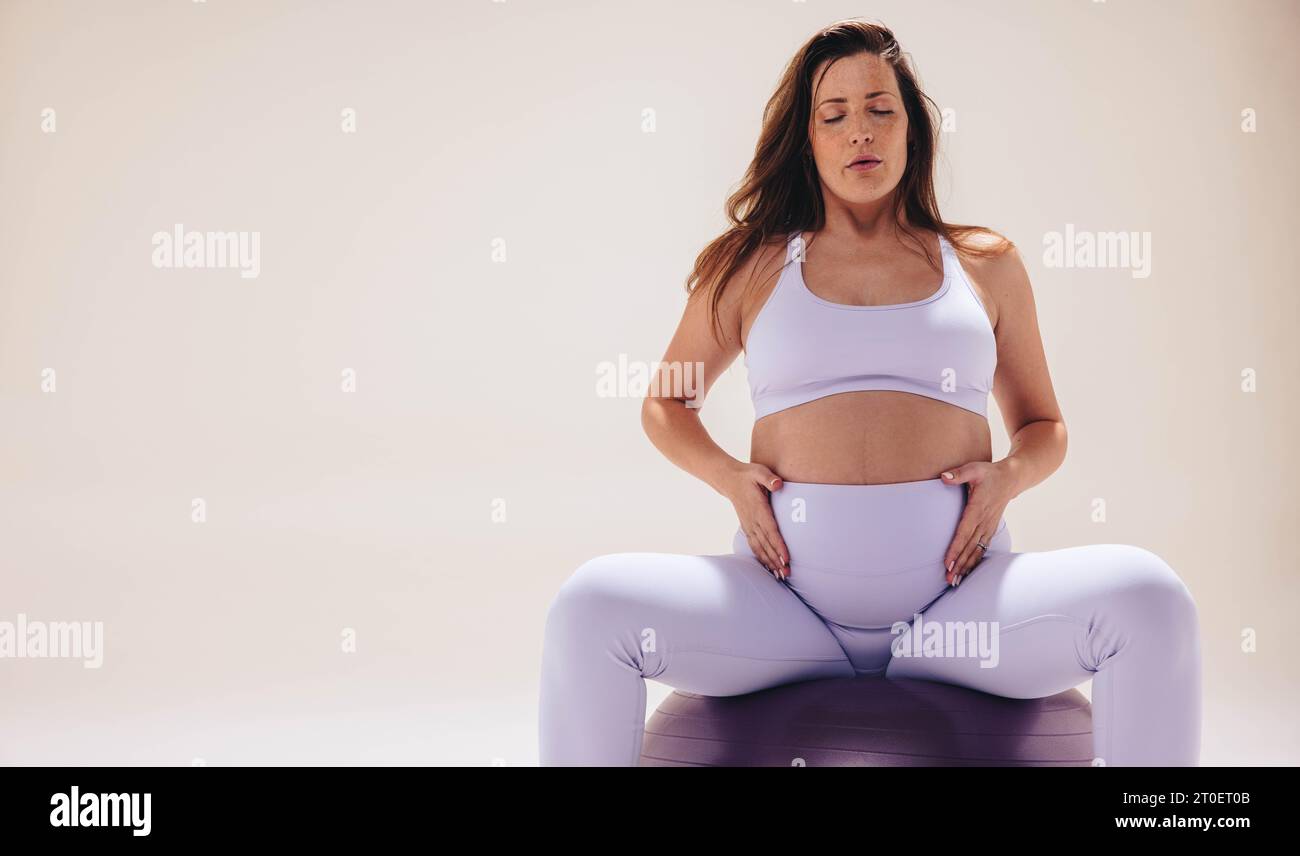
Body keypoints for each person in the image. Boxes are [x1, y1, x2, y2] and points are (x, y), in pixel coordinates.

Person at [538, 19, 1201, 766]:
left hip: (963, 609)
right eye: (835, 115)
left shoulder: (985, 263)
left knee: (1152, 597)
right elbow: (666, 403)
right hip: (785, 611)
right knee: (589, 606)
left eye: (881, 109)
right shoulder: (753, 265)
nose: (862, 131)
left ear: (913, 128)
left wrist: (1007, 480)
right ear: (809, 138)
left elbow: (1044, 425)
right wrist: (729, 478)